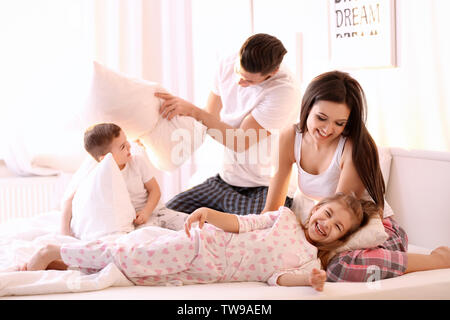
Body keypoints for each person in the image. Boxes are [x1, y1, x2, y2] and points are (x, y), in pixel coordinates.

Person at [261, 70, 450, 282]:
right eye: (321, 118)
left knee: (338, 268)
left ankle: (438, 260)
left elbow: (341, 218)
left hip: (373, 230)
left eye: (339, 123)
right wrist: (262, 237)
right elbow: (272, 209)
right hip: (334, 229)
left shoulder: (351, 147)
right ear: (307, 108)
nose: (327, 129)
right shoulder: (291, 137)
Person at [20, 193, 381, 291]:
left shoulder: (310, 263)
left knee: (139, 274)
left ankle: (68, 261)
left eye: (336, 227)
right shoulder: (283, 218)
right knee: (133, 255)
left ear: (340, 239)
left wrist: (310, 280)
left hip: (207, 274)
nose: (326, 224)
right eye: (327, 214)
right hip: (202, 246)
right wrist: (209, 213)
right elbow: (242, 223)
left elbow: (280, 279)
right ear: (315, 208)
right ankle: (54, 249)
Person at [154, 33, 301, 216]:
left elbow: (239, 142)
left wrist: (193, 111)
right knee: (165, 215)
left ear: (272, 73)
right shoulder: (227, 62)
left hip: (263, 187)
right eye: (239, 73)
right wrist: (156, 130)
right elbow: (209, 117)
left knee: (247, 235)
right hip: (225, 181)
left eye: (249, 81)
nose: (240, 82)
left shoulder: (284, 91)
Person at [60, 123, 165, 236]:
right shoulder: (95, 174)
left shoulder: (136, 162)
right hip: (131, 222)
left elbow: (155, 190)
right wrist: (65, 234)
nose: (129, 146)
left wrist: (146, 212)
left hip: (151, 211)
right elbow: (70, 200)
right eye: (122, 147)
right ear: (106, 158)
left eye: (126, 141)